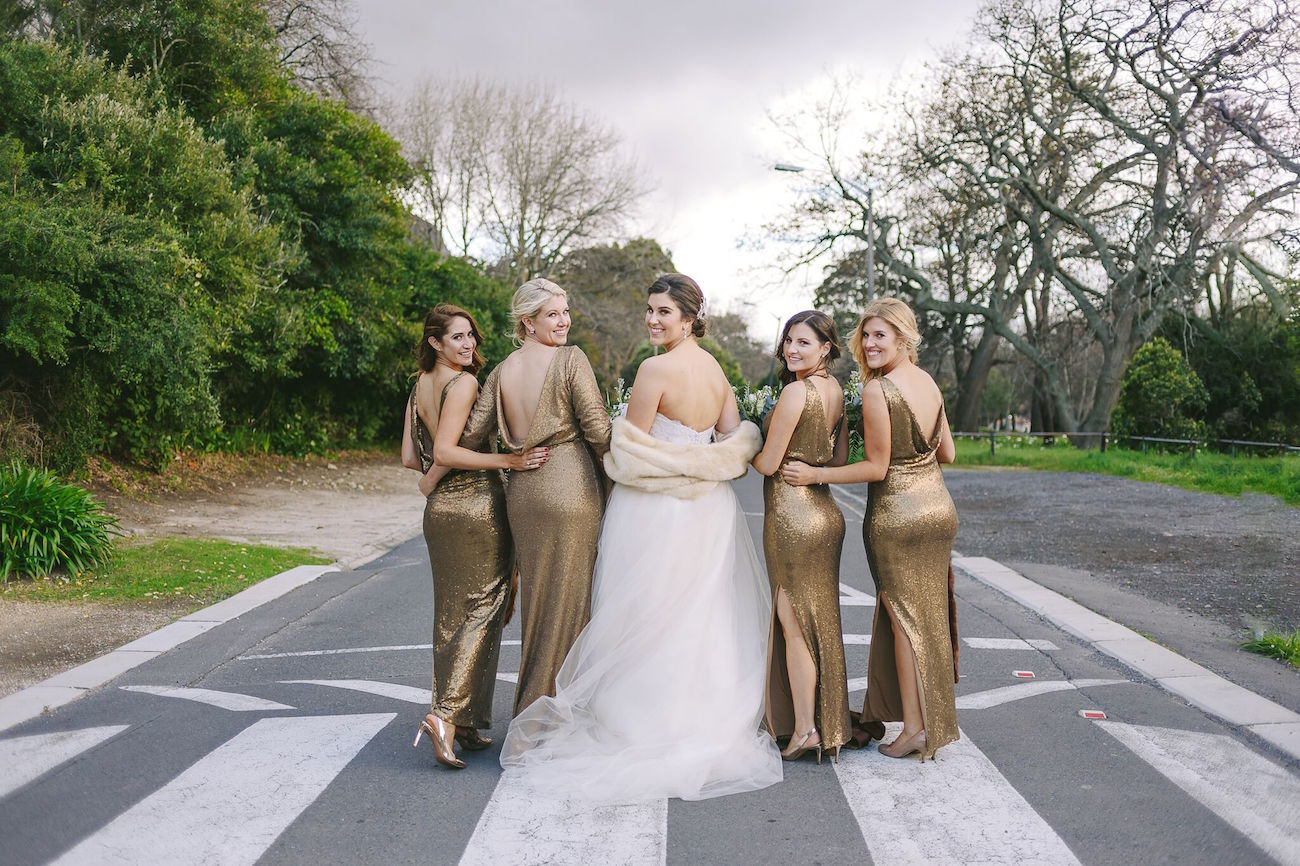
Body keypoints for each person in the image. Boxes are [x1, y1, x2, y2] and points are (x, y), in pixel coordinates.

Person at [500, 273, 783, 803]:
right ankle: (700, 717)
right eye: (649, 310)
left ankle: (642, 721)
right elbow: (732, 440)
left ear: (690, 317)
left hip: (654, 507)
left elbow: (627, 451)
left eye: (663, 313)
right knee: (699, 611)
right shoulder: (716, 370)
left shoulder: (654, 370)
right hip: (708, 507)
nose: (653, 320)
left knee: (645, 610)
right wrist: (698, 464)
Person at [782, 298, 959, 761]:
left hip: (898, 515)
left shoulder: (880, 390)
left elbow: (878, 467)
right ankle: (932, 722)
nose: (870, 343)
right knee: (929, 619)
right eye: (865, 335)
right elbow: (947, 454)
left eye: (880, 334)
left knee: (904, 621)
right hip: (938, 508)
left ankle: (916, 730)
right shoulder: (928, 384)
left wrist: (815, 475)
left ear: (904, 337)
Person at [401, 304, 548, 769]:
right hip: (476, 506)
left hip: (439, 513)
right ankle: (444, 715)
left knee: (452, 614)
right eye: (458, 338)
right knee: (485, 607)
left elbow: (412, 456)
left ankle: (463, 720)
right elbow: (446, 449)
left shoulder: (417, 387)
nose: (469, 345)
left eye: (472, 338)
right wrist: (510, 461)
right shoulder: (462, 384)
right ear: (435, 342)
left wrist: (431, 479)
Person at [465, 279, 612, 716]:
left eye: (565, 311)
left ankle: (535, 711)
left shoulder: (502, 370)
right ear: (527, 321)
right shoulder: (570, 359)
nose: (564, 321)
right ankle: (548, 718)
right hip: (571, 488)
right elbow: (599, 432)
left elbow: (471, 434)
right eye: (552, 314)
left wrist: (509, 457)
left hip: (524, 493)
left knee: (540, 603)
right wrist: (629, 472)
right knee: (570, 605)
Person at [751, 311, 851, 764]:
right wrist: (813, 469)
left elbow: (769, 465)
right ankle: (824, 723)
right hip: (825, 513)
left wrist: (739, 445)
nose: (792, 349)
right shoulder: (836, 393)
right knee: (819, 623)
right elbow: (841, 457)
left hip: (792, 517)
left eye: (804, 343)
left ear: (826, 348)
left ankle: (806, 728)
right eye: (789, 341)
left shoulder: (796, 392)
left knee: (795, 628)